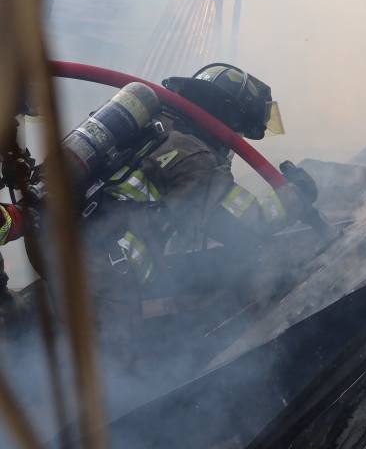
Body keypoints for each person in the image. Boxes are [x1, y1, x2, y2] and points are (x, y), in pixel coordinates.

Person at [0, 63, 317, 357]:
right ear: (227, 121)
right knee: (129, 381)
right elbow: (246, 223)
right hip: (105, 275)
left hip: (60, 248)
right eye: (240, 132)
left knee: (37, 325)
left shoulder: (149, 130)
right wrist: (296, 197)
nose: (236, 143)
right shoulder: (193, 155)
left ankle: (17, 328)